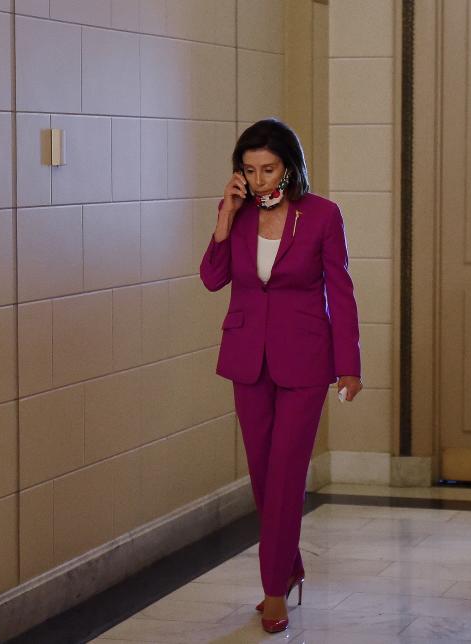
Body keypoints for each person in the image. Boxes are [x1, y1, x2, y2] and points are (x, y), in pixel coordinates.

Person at [199, 118, 363, 633]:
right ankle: (289, 566)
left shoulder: (322, 216)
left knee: (287, 473)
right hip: (248, 357)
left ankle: (273, 590)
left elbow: (341, 289)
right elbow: (212, 278)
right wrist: (224, 220)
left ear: (289, 168)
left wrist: (348, 365)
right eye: (249, 170)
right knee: (263, 472)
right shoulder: (237, 214)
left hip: (305, 360)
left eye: (268, 169)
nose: (260, 178)